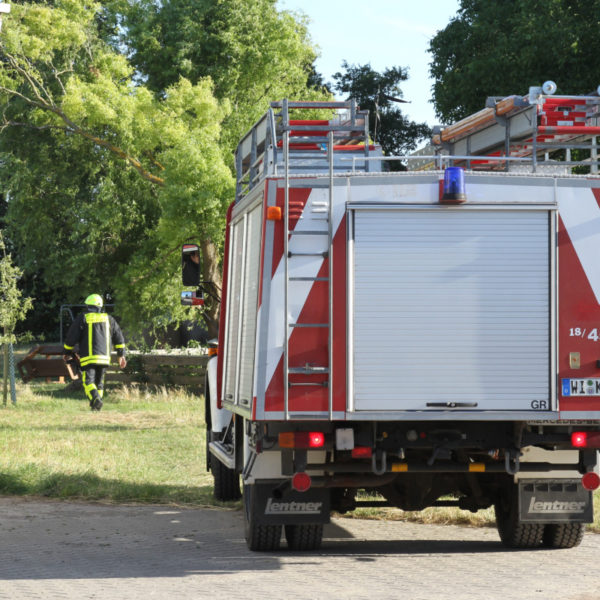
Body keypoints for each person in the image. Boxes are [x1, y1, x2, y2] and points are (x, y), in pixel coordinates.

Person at [63, 294, 127, 411]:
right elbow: (119, 338)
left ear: (88, 306)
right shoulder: (109, 319)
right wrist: (121, 355)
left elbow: (71, 337)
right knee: (99, 382)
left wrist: (67, 351)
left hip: (88, 358)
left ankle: (96, 399)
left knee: (88, 381)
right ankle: (96, 407)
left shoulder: (83, 318)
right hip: (104, 358)